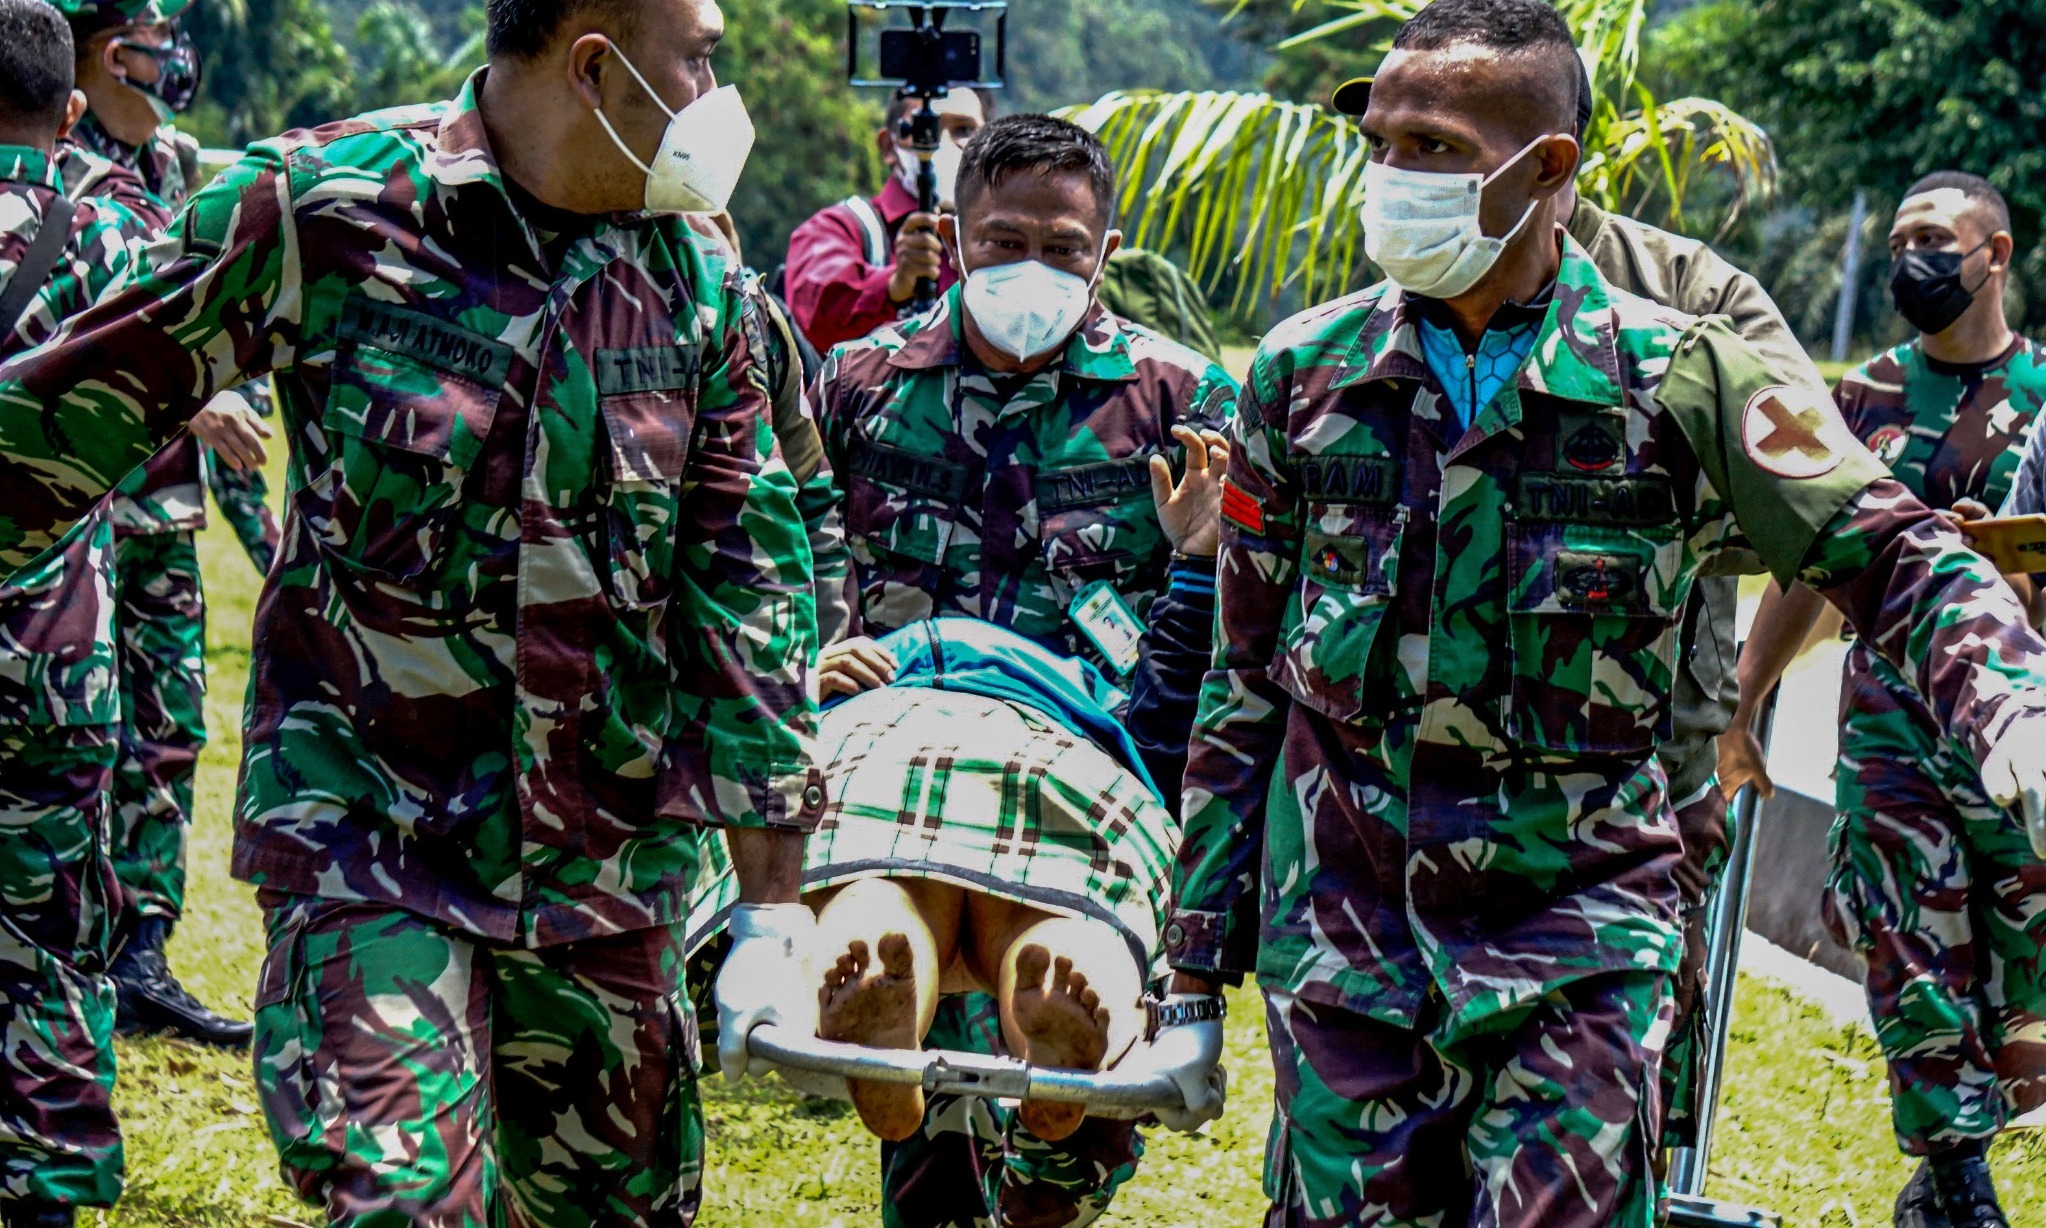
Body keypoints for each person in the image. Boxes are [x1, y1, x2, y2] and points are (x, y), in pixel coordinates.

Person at [1163, 0, 2046, 1223]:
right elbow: (1245, 678)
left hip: (1577, 942)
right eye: (1383, 142)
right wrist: (1193, 969)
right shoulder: (1302, 378)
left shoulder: (1677, 374)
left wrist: (2011, 701)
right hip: (1349, 949)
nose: (1393, 175)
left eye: (1436, 150)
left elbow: (1889, 546)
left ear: (1549, 169)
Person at [0, 0, 830, 1217]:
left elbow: (747, 580)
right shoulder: (323, 209)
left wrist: (769, 917)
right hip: (370, 845)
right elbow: (58, 421)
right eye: (698, 56)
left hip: (608, 875)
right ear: (597, 66)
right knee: (401, 1202)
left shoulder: (696, 273)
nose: (718, 89)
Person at [802, 113, 1237, 1228]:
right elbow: (791, 546)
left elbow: (1226, 652)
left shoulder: (1180, 403)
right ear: (952, 234)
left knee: (1066, 1146)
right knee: (928, 1153)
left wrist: (1196, 555)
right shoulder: (857, 384)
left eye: (1063, 246)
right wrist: (815, 655)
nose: (1031, 268)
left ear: (1107, 245)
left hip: (1084, 769)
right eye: (1002, 242)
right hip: (893, 762)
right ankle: (893, 1039)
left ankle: (1051, 1100)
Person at [1719, 172, 2046, 1228]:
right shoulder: (1856, 400)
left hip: (2014, 725)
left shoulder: (2042, 398)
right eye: (1899, 234)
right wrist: (1743, 700)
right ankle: (1960, 1181)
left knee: (2020, 961)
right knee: (1908, 939)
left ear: (1995, 255)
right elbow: (1810, 569)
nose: (1913, 256)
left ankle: (1945, 1168)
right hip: (1892, 724)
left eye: (1935, 238)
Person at [51, 0, 278, 1050]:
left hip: (165, 514)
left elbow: (218, 350)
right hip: (78, 516)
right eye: (156, 40)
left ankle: (140, 955)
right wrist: (180, 398)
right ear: (105, 54)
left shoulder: (173, 172)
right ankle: (69, 949)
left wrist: (270, 546)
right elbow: (67, 336)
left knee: (168, 734)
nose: (176, 60)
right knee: (74, 739)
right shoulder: (49, 160)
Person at [0, 4, 160, 1221]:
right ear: (69, 111)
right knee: (52, 939)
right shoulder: (117, 229)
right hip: (55, 665)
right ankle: (48, 1186)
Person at [782, 87, 987, 351]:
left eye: (964, 130)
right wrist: (893, 286)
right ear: (889, 146)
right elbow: (812, 319)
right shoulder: (842, 228)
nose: (943, 143)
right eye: (926, 129)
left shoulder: (1011, 237)